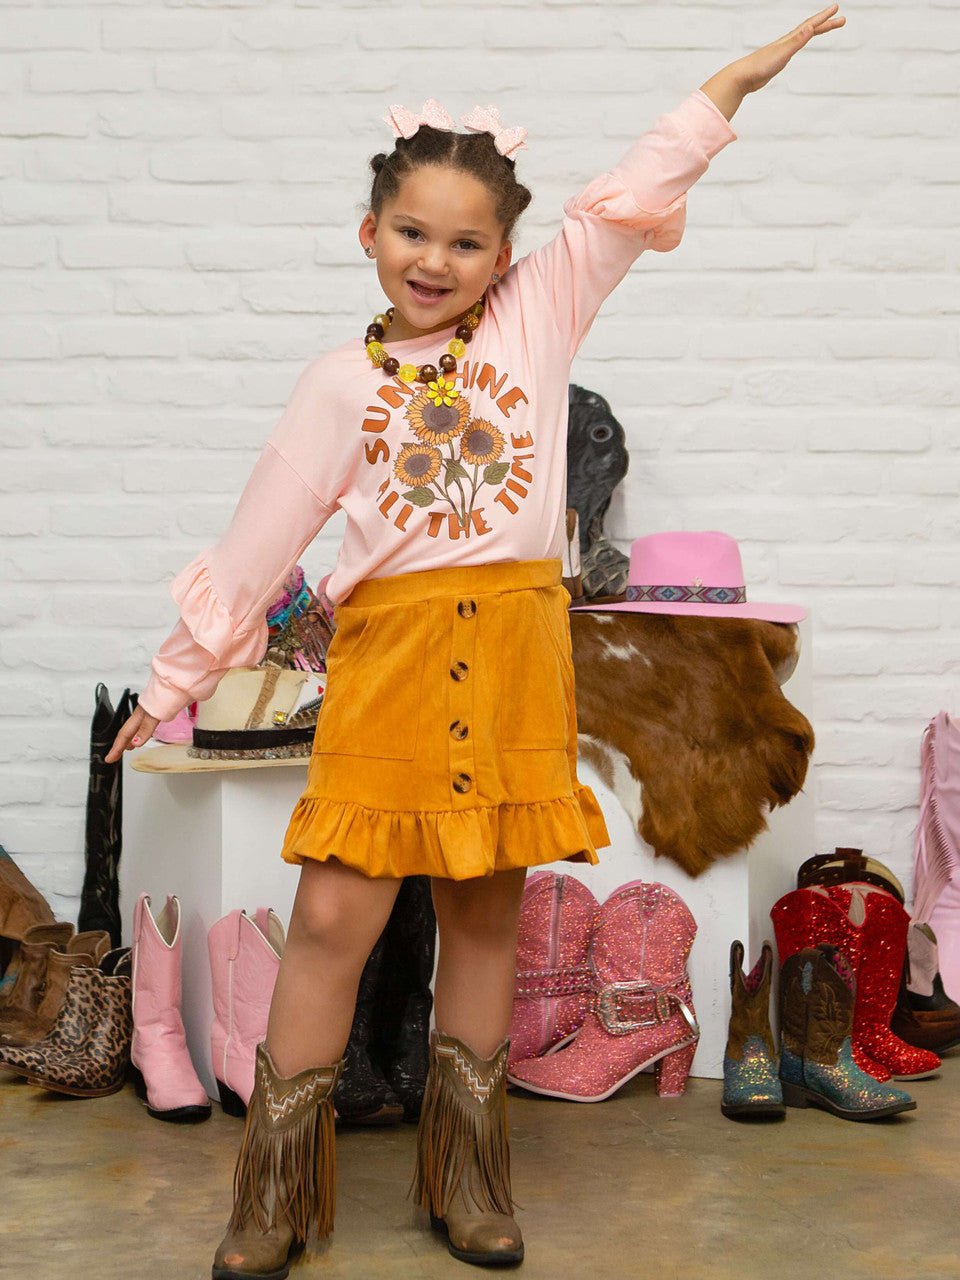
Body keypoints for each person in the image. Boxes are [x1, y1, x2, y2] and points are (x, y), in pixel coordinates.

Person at [106, 8, 845, 1276]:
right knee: (331, 919)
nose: (434, 261)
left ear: (506, 254)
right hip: (389, 669)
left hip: (512, 660)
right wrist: (174, 681)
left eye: (465, 241)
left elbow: (632, 195)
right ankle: (273, 1190)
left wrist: (731, 83)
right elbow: (257, 545)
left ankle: (469, 1176)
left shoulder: (539, 316)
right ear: (368, 234)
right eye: (411, 233)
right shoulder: (337, 384)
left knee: (487, 920)